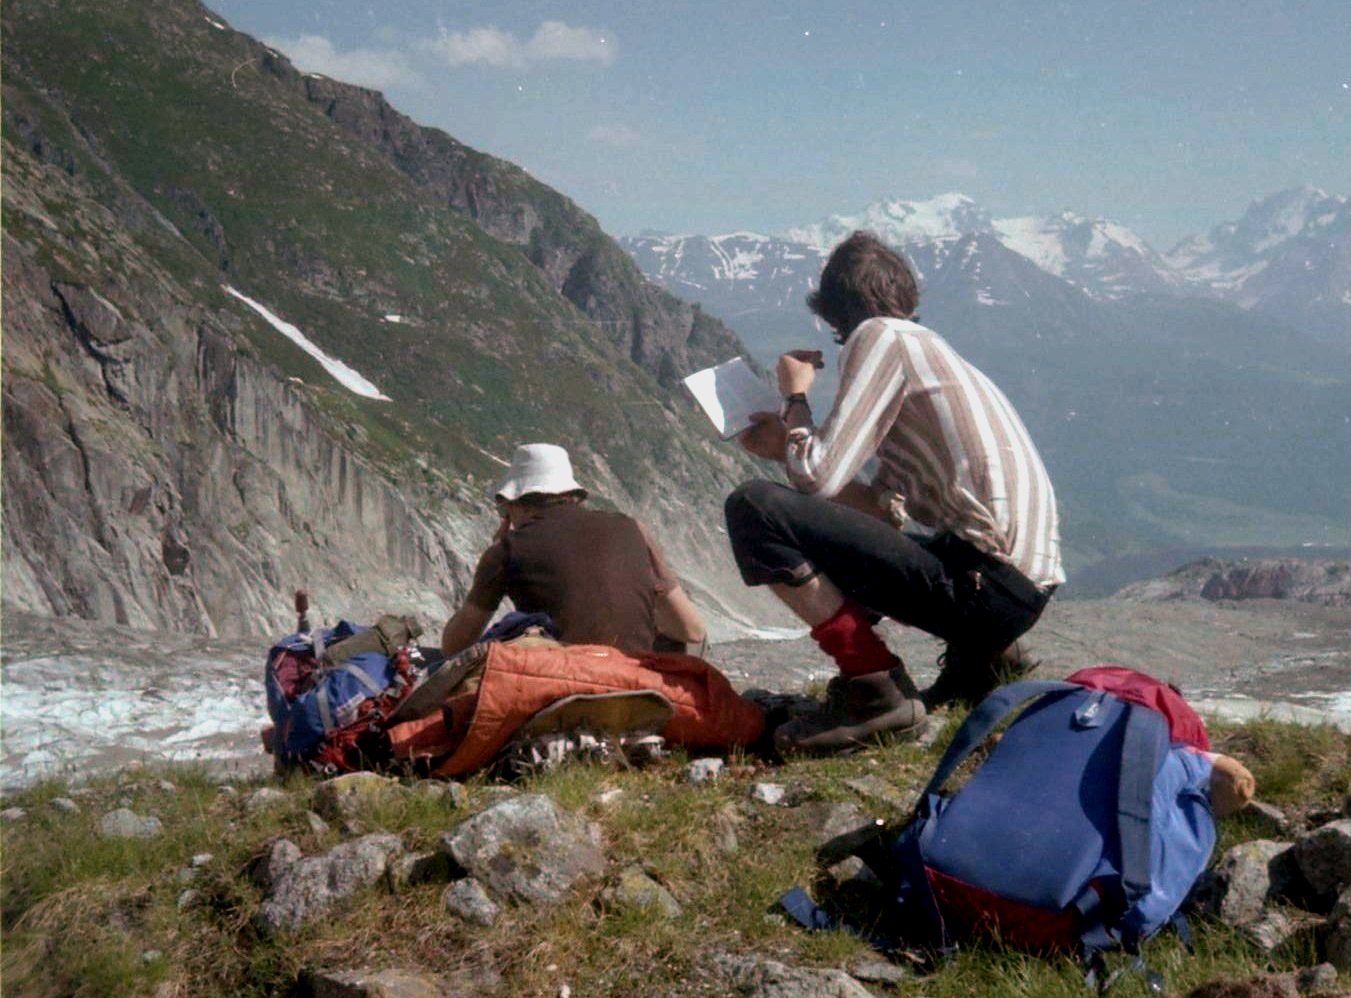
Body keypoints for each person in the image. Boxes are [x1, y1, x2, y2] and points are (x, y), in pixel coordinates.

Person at [725, 231, 1065, 754]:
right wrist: (785, 450)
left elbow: (817, 477)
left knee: (753, 507)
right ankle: (989, 661)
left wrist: (795, 399)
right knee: (820, 533)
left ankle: (874, 687)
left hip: (986, 586)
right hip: (1013, 590)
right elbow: (881, 515)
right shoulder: (926, 349)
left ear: (836, 312)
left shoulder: (880, 338)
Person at [441, 443, 707, 658]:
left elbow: (454, 647)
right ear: (572, 495)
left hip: (563, 681)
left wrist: (495, 556)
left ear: (515, 504)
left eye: (503, 510)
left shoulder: (508, 549)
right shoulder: (633, 528)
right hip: (638, 681)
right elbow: (692, 631)